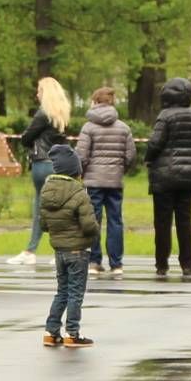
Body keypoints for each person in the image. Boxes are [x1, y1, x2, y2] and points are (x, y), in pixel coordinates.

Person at [39, 144, 101, 348]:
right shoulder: (79, 193)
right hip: (78, 251)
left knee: (62, 291)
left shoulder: (46, 192)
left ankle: (51, 331)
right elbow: (89, 224)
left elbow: (43, 225)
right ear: (76, 172)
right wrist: (94, 233)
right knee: (75, 293)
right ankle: (72, 333)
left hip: (59, 251)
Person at [144, 76, 191, 279]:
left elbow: (155, 143)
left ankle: (162, 264)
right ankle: (187, 264)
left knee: (162, 222)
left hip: (164, 176)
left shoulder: (165, 116)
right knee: (185, 221)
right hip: (189, 177)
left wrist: (148, 159)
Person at [7, 77, 71, 266]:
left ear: (46, 93)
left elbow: (26, 137)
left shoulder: (43, 113)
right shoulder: (62, 115)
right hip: (59, 164)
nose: (36, 94)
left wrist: (28, 142)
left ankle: (32, 251)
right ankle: (61, 250)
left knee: (40, 210)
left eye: (39, 90)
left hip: (42, 164)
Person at [74, 86, 136, 278]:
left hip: (93, 182)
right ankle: (117, 264)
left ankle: (94, 261)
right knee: (115, 221)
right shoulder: (123, 128)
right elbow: (131, 155)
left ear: (95, 102)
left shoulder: (88, 127)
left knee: (93, 221)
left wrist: (82, 173)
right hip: (115, 182)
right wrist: (120, 169)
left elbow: (81, 156)